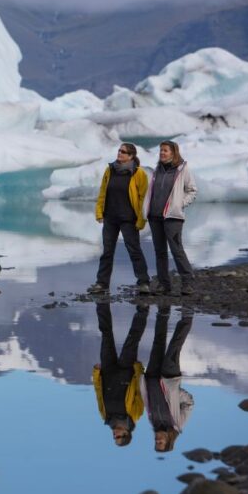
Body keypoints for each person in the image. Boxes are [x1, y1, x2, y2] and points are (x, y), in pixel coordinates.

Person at [88, 143, 151, 294]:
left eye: (124, 152)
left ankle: (143, 282)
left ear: (131, 156)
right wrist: (99, 212)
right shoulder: (110, 170)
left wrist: (141, 219)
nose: (120, 153)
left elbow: (144, 198)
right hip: (110, 218)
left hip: (129, 219)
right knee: (107, 252)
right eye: (119, 151)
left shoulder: (138, 173)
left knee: (134, 250)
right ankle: (102, 284)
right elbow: (103, 192)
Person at [144, 140, 197, 295]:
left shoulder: (182, 169)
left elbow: (192, 191)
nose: (162, 153)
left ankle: (187, 283)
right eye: (161, 150)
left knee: (176, 250)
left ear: (173, 153)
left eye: (165, 150)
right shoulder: (157, 170)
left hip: (173, 217)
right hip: (155, 217)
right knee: (160, 251)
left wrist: (179, 204)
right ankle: (163, 284)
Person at [92, 302, 148, 447]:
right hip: (126, 371)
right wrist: (139, 369)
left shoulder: (106, 416)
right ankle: (143, 308)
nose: (114, 435)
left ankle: (102, 302)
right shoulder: (135, 415)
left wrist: (97, 373)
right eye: (118, 437)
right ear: (126, 433)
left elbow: (99, 393)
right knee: (133, 339)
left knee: (106, 334)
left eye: (114, 437)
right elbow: (140, 392)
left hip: (107, 371)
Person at [140, 306, 195, 453]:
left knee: (157, 342)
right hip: (169, 378)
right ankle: (187, 316)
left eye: (156, 442)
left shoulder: (153, 422)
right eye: (161, 442)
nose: (157, 440)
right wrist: (177, 392)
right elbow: (189, 404)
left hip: (151, 377)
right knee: (174, 347)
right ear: (169, 441)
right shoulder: (177, 424)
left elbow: (147, 401)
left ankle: (163, 311)